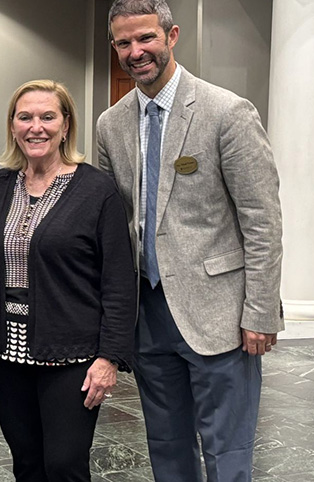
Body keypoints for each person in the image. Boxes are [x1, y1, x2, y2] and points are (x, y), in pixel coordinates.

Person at [97, 1, 284, 480]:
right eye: (124, 42)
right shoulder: (110, 124)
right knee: (166, 448)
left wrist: (261, 312)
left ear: (172, 35)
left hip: (220, 316)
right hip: (147, 316)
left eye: (146, 38)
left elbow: (262, 220)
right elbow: (111, 225)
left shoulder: (227, 112)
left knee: (227, 454)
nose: (136, 51)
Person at [0, 80, 136, 482]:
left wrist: (109, 357)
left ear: (66, 125)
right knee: (26, 463)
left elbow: (118, 282)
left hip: (71, 355)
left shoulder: (96, 190)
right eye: (25, 117)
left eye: (47, 117)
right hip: (5, 352)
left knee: (64, 466)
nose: (35, 127)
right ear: (12, 125)